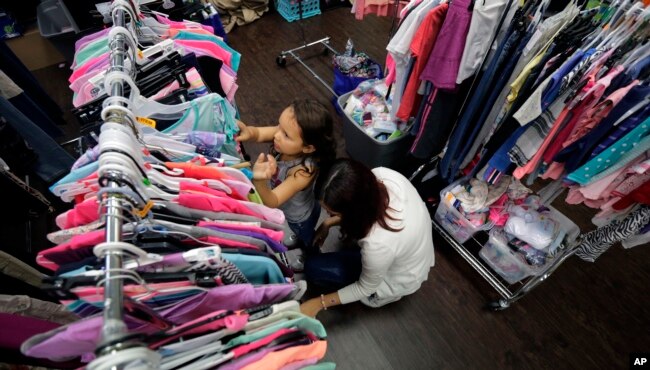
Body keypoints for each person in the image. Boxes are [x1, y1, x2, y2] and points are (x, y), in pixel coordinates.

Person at [300, 159, 435, 316]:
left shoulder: (379, 245)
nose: (328, 215)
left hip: (394, 279)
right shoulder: (383, 175)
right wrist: (328, 223)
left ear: (354, 212)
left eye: (332, 213)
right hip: (410, 253)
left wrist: (318, 303)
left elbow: (364, 288)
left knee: (313, 268)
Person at [236, 99, 336, 248]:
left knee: (306, 238)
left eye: (286, 135)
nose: (277, 135)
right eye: (279, 127)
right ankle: (299, 238)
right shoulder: (284, 138)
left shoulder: (303, 172)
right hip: (295, 207)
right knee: (299, 233)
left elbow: (273, 201)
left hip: (300, 217)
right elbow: (259, 134)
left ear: (308, 148)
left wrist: (259, 180)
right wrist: (249, 132)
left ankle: (307, 252)